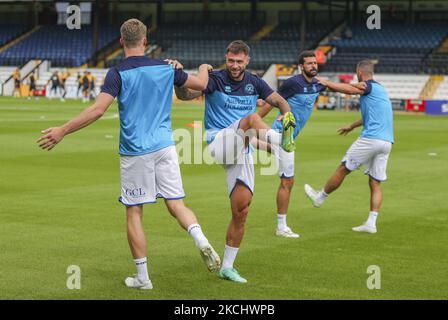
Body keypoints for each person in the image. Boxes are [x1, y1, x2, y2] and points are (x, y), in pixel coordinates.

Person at [36, 18, 221, 290]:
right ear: (145, 41)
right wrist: (204, 68)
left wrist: (63, 130)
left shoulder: (117, 73)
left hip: (135, 152)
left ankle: (143, 279)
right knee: (176, 204)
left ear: (122, 42)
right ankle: (201, 239)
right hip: (165, 146)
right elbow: (202, 85)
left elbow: (97, 110)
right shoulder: (166, 68)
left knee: (134, 212)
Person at [174, 40, 295, 283]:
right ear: (226, 58)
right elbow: (186, 94)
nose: (235, 65)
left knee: (241, 211)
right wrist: (178, 78)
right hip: (219, 141)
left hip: (242, 150)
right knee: (250, 119)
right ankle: (280, 140)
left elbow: (279, 100)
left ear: (247, 61)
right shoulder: (215, 78)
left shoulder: (255, 82)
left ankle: (227, 267)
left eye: (239, 61)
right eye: (231, 60)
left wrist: (286, 112)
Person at [304, 60, 394, 234]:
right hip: (387, 142)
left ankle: (319, 197)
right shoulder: (380, 89)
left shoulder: (366, 86)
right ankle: (371, 223)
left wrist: (327, 82)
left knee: (344, 168)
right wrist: (351, 126)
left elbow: (350, 90)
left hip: (370, 139)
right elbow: (369, 116)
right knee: (375, 183)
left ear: (359, 71)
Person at [256, 50, 326, 238]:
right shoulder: (293, 83)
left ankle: (249, 140)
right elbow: (271, 102)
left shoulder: (317, 84)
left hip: (287, 136)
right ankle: (281, 227)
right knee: (287, 181)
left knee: (284, 172)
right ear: (301, 66)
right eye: (309, 63)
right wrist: (253, 120)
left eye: (315, 63)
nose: (313, 66)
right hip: (283, 135)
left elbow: (335, 88)